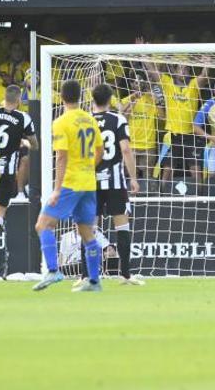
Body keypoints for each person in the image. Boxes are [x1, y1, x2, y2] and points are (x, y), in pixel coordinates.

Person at [33, 80, 103, 293]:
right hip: (89, 183)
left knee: (43, 225)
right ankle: (94, 282)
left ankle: (53, 270)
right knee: (87, 233)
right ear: (80, 96)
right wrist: (86, 167)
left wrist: (56, 189)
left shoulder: (61, 122)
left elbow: (61, 157)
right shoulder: (90, 120)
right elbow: (100, 151)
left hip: (71, 183)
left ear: (61, 97)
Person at [76, 84, 142, 286]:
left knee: (89, 228)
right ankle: (125, 275)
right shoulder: (118, 119)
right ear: (110, 99)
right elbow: (126, 150)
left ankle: (85, 275)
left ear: (92, 100)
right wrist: (133, 177)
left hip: (90, 182)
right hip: (115, 182)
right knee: (122, 225)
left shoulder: (83, 120)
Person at [0, 85, 37, 278]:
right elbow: (34, 143)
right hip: (7, 173)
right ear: (19, 99)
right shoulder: (23, 118)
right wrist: (23, 141)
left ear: (4, 97)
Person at [142, 61, 208, 189]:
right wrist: (144, 56)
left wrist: (207, 63)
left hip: (190, 135)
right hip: (173, 135)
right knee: (167, 169)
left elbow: (204, 76)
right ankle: (161, 198)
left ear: (189, 73)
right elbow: (153, 72)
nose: (183, 72)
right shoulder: (167, 82)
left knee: (196, 170)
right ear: (175, 71)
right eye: (180, 69)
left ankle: (201, 198)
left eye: (186, 70)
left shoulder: (193, 85)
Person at [120, 74, 162, 190]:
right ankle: (132, 200)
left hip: (148, 145)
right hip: (131, 145)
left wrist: (155, 99)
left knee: (148, 176)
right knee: (129, 175)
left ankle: (150, 202)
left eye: (141, 82)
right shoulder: (126, 100)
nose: (138, 85)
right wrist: (132, 101)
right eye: (136, 82)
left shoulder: (151, 99)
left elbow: (163, 117)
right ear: (131, 84)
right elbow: (121, 116)